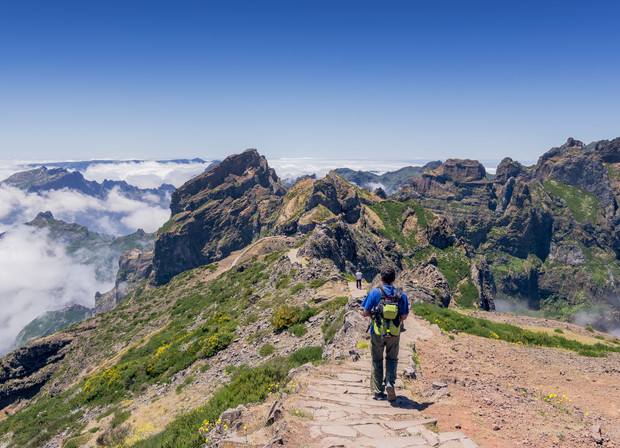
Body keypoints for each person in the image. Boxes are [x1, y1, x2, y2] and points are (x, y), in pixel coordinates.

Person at [361, 266, 409, 401]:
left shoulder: (375, 293)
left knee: (377, 360)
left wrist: (374, 313)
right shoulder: (401, 294)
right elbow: (404, 316)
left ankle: (377, 391)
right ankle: (389, 383)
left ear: (381, 279)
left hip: (377, 332)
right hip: (394, 332)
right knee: (392, 359)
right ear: (394, 279)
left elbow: (364, 312)